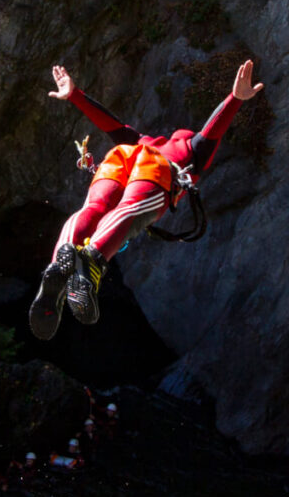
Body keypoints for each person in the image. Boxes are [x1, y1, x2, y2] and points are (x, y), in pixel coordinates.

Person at [30, 59, 265, 339]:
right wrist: (235, 99)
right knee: (131, 210)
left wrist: (75, 96)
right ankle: (93, 260)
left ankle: (59, 263)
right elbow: (212, 131)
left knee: (93, 208)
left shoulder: (140, 139)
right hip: (159, 169)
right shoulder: (191, 150)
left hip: (123, 156)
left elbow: (109, 123)